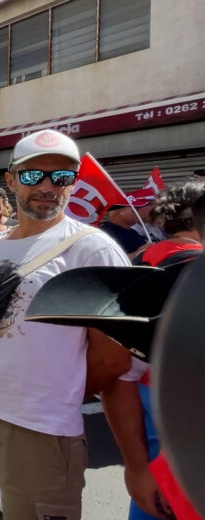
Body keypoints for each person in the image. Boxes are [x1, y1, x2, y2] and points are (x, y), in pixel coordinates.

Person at [0, 129, 136, 520]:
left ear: (73, 183)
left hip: (37, 428)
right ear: (12, 180)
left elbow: (115, 359)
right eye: (33, 175)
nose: (48, 187)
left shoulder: (94, 250)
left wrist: (51, 388)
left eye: (61, 176)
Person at [101, 180, 205, 520]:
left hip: (144, 402)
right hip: (186, 415)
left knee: (153, 498)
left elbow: (118, 371)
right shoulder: (194, 270)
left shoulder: (140, 260)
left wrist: (135, 467)